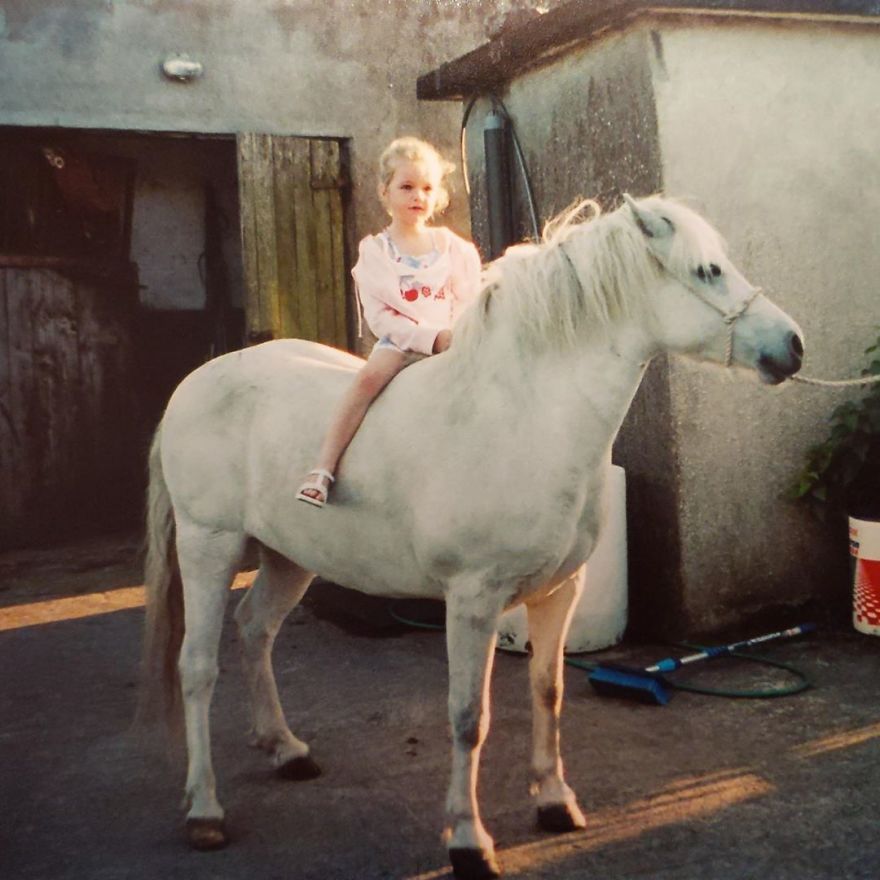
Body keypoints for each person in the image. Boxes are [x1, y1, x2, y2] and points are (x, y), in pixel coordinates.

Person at [296, 136, 482, 507]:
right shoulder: (376, 252)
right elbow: (382, 318)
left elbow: (467, 299)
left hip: (454, 343)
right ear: (385, 191)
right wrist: (431, 339)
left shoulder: (455, 249)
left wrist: (456, 335)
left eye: (427, 188)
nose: (418, 196)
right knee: (366, 380)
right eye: (407, 187)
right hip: (401, 345)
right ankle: (323, 468)